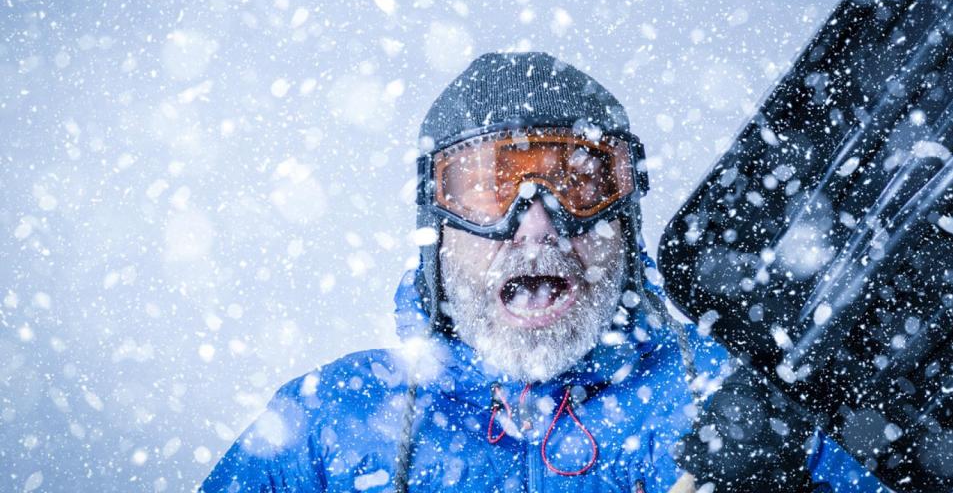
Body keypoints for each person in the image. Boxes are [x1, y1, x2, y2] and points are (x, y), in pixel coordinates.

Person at [201, 52, 884, 492]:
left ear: (628, 217)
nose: (536, 225)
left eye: (581, 184)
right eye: (487, 189)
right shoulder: (326, 425)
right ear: (435, 230)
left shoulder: (744, 403)